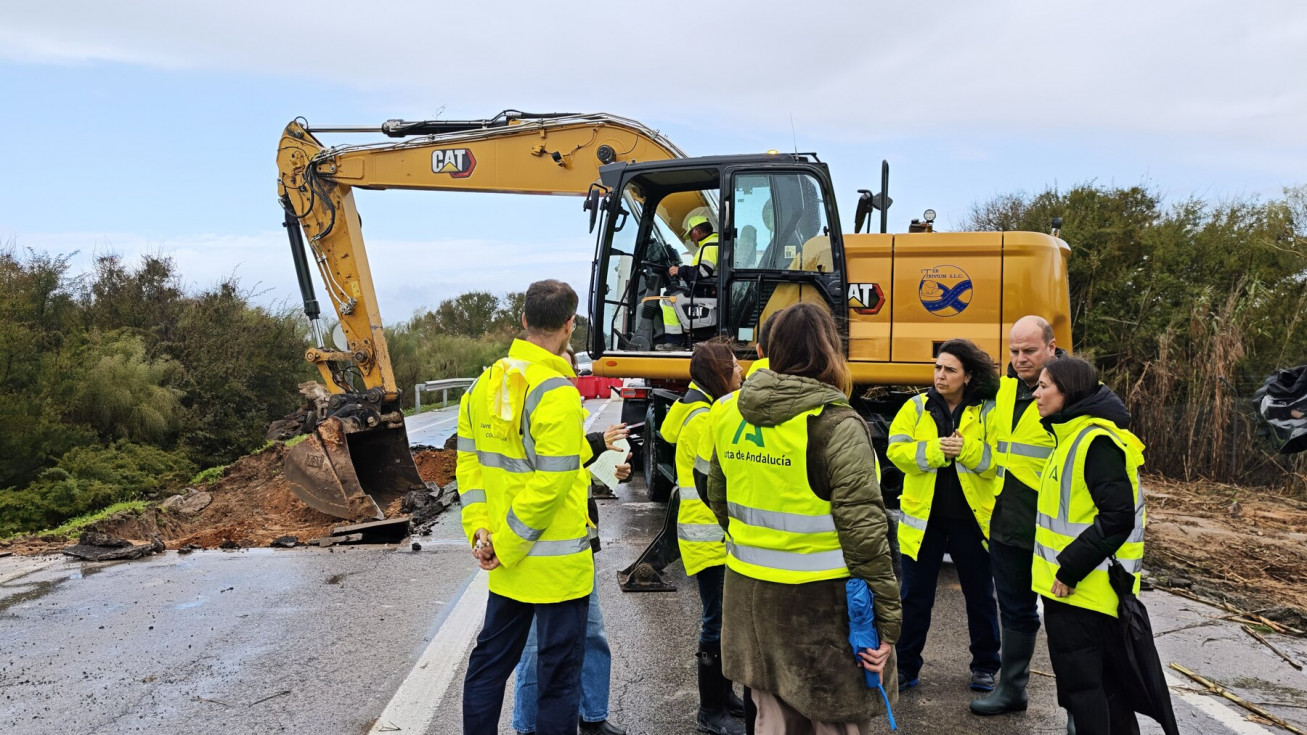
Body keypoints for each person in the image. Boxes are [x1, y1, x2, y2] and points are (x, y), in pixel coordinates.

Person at [706, 302, 900, 734]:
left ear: (772, 350)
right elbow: (866, 537)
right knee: (835, 722)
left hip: (748, 601)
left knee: (771, 722)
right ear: (830, 350)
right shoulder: (837, 424)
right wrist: (888, 623)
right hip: (820, 610)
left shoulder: (729, 413)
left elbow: (718, 498)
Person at [457, 279, 594, 735]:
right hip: (555, 568)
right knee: (558, 679)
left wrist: (482, 532)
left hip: (506, 563)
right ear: (569, 325)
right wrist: (508, 544)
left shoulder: (481, 385)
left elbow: (470, 469)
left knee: (488, 666)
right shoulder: (556, 391)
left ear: (523, 320)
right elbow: (552, 484)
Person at [1032, 357, 1145, 735]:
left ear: (1068, 392)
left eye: (1044, 386)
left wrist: (1070, 569)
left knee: (1087, 690)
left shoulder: (1095, 442)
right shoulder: (1070, 438)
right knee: (1102, 690)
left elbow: (1117, 517)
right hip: (1076, 591)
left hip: (1086, 591)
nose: (1036, 394)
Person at [887, 339, 1001, 694]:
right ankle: (906, 667)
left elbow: (998, 462)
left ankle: (985, 667)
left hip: (971, 521)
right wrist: (936, 451)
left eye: (950, 370)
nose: (940, 375)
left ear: (968, 376)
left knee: (980, 597)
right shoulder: (915, 407)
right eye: (938, 367)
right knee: (914, 598)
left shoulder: (989, 411)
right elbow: (896, 452)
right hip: (925, 522)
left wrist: (967, 450)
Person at [513, 416, 633, 735]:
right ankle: (527, 726)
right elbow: (547, 465)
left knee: (592, 635)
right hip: (537, 555)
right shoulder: (527, 409)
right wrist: (596, 444)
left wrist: (612, 470)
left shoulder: (564, 409)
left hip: (578, 549)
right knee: (535, 646)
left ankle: (593, 717)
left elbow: (574, 472)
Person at [971, 315, 1063, 717]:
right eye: (1014, 351)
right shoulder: (1006, 389)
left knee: (1065, 622)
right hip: (1007, 524)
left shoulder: (1072, 390)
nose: (1020, 358)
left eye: (1030, 350)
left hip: (1054, 528)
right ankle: (1011, 690)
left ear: (1051, 348)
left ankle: (1078, 709)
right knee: (1014, 611)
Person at [661, 340, 746, 735]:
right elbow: (714, 481)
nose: (741, 371)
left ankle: (724, 697)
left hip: (706, 532)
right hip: (709, 534)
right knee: (715, 622)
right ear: (719, 374)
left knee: (722, 620)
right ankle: (710, 711)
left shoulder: (696, 410)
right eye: (735, 366)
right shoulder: (705, 418)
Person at [658, 215, 720, 349]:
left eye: (691, 234)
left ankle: (674, 341)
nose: (691, 239)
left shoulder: (709, 246)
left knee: (669, 298)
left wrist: (680, 270)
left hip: (706, 293)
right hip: (710, 290)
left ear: (697, 230)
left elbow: (703, 271)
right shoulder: (715, 242)